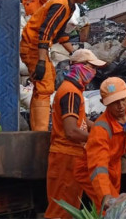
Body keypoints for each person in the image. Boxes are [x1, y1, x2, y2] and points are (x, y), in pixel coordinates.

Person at [20, 0, 101, 131]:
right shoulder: (61, 4)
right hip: (33, 45)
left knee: (45, 87)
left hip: (37, 46)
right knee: (44, 86)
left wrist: (75, 54)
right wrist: (42, 62)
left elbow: (61, 35)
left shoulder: (69, 7)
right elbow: (45, 32)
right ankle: (40, 132)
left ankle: (37, 129)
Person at [45, 49, 106, 219]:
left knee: (69, 208)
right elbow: (71, 131)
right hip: (67, 158)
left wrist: (103, 129)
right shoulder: (71, 92)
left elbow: (83, 122)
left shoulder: (73, 90)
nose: (93, 72)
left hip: (71, 158)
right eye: (91, 67)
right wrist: (98, 138)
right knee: (60, 211)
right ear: (79, 67)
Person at [74, 77, 126, 211]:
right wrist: (105, 195)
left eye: (122, 99)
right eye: (114, 102)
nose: (120, 105)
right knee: (111, 208)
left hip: (113, 166)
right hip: (91, 170)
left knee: (113, 205)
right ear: (104, 103)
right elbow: (98, 166)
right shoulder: (101, 129)